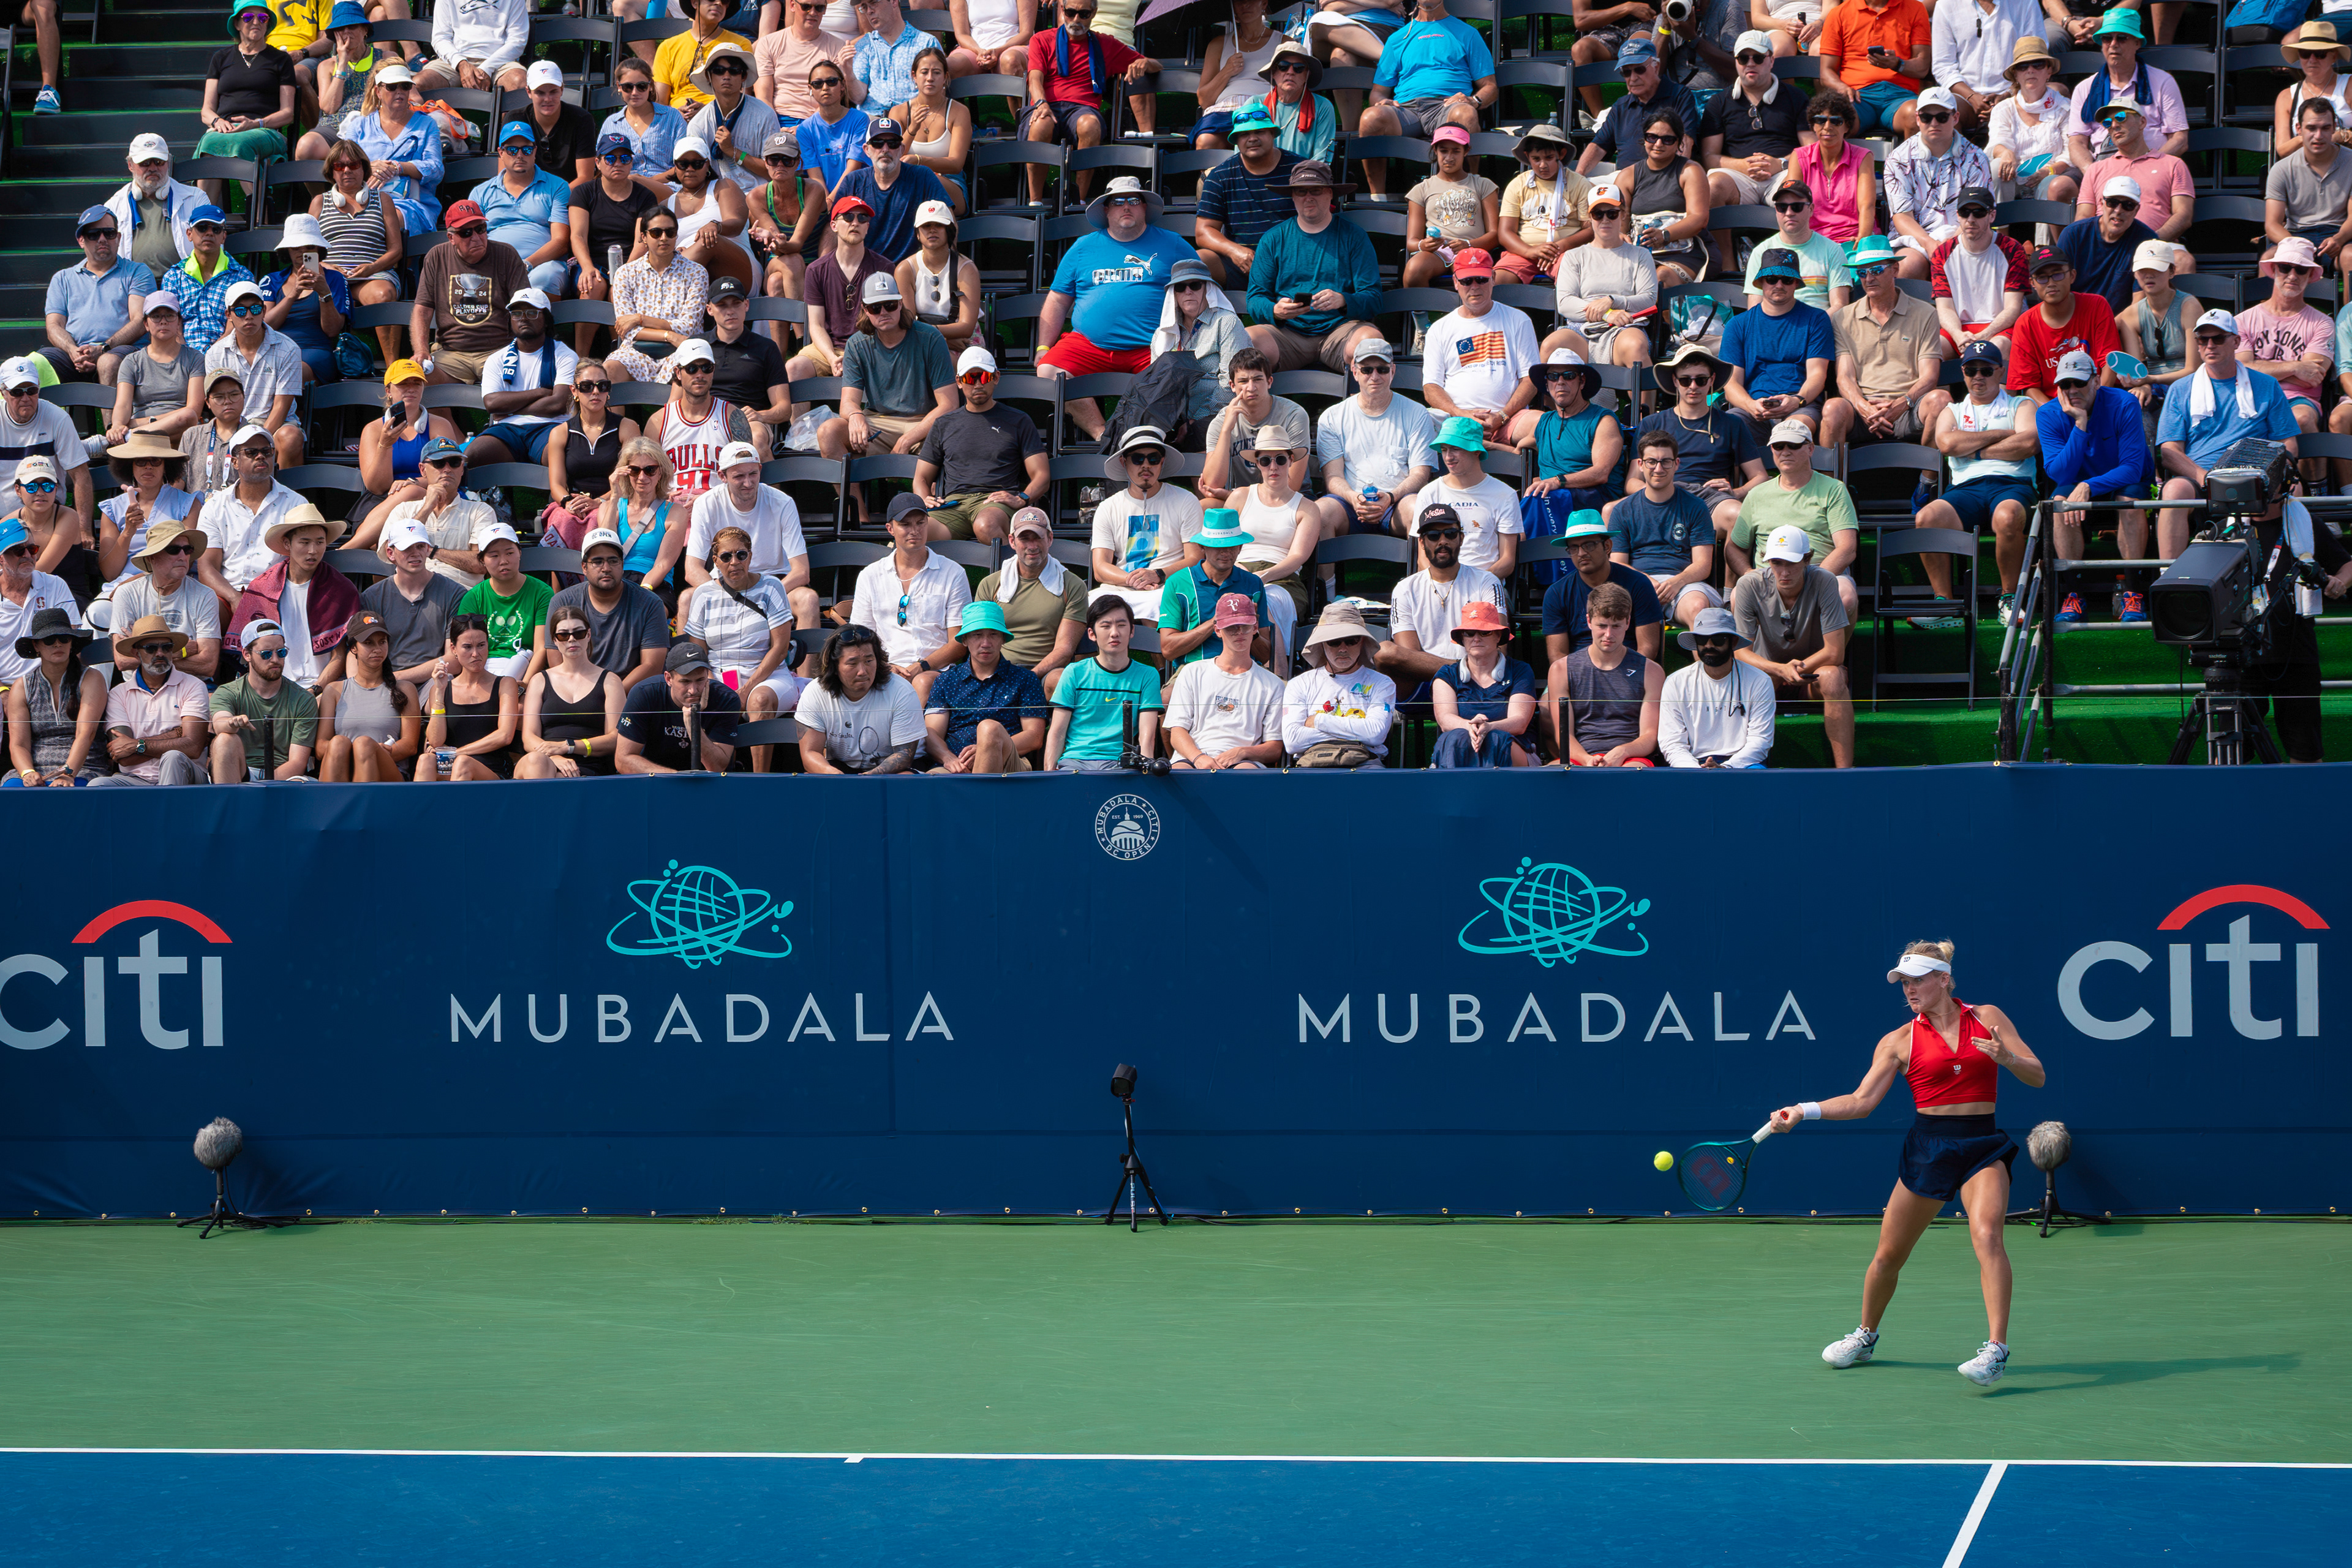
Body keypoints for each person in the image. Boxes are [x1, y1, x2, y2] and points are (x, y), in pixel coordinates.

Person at [1779, 942, 2048, 1387]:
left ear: (1944, 979)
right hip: (1929, 1149)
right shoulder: (1898, 1041)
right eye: (1904, 982)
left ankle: (1996, 1351)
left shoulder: (1988, 1018)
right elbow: (1861, 1102)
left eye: (1918, 980)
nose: (1909, 989)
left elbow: (2037, 1075)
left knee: (1988, 1235)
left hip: (1982, 1145)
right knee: (1888, 1256)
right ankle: (1865, 1336)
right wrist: (1803, 1111)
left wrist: (2008, 1059)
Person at [1036, 176, 1197, 440]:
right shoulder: (1082, 248)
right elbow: (1057, 300)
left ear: (1144, 207)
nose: (1126, 206)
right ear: (1106, 210)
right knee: (1048, 371)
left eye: (1134, 200)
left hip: (1153, 346)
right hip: (1090, 345)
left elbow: (1200, 290)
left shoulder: (1174, 244)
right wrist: (1043, 347)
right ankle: (1104, 436)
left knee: (1177, 373)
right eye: (1117, 201)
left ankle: (1142, 438)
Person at [2156, 311, 2302, 560]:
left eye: (2218, 338)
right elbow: (2169, 451)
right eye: (2203, 340)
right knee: (2174, 491)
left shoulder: (2267, 384)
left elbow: (2288, 443)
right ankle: (2170, 573)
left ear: (2236, 342)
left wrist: (2269, 475)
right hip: (2201, 475)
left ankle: (2285, 571)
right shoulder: (2180, 389)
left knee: (2290, 489)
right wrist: (2204, 477)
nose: (2210, 345)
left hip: (2256, 473)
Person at [1924, 339, 2040, 622]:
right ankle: (1944, 605)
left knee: (2008, 516)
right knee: (1927, 518)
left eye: (1986, 370)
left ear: (2000, 371)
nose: (1978, 376)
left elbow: (2028, 443)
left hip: (2012, 484)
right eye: (1971, 370)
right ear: (1963, 373)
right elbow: (1947, 444)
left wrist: (1974, 451)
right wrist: (2003, 434)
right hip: (1966, 489)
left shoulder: (2022, 404)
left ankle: (2009, 598)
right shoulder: (1952, 410)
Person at [2037, 347, 2152, 624]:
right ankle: (2073, 595)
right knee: (2060, 506)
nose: (2072, 390)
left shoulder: (2124, 403)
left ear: (2097, 381)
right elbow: (2059, 473)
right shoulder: (2048, 413)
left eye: (2079, 382)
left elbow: (2132, 469)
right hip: (2076, 481)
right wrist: (2080, 424)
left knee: (2129, 504)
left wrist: (2090, 485)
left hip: (2124, 480)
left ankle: (2133, 594)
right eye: (2065, 384)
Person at [1730, 522, 1853, 766]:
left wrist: (1794, 670)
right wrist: (1780, 670)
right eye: (1777, 563)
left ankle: (1845, 772)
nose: (1784, 571)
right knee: (1744, 679)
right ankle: (1737, 766)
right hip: (1766, 679)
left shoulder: (1825, 581)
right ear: (1767, 561)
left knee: (1833, 677)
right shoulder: (1749, 584)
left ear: (1807, 560)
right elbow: (1740, 652)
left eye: (1792, 563)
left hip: (1812, 677)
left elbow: (1835, 653)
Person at [1244, 160, 1383, 374]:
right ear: (1293, 196)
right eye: (1301, 191)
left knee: (1371, 343)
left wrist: (1344, 300)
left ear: (1330, 193)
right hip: (1287, 333)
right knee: (1245, 342)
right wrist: (1275, 311)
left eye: (1316, 190)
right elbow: (1255, 298)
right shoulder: (1273, 239)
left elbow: (1373, 298)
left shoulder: (1354, 236)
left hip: (1341, 330)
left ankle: (1367, 398)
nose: (1308, 197)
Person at [1629, 344, 1766, 545]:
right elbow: (1632, 481)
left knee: (1738, 516)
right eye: (1685, 380)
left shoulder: (1732, 423)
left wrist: (1736, 492)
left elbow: (1760, 476)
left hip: (1711, 497)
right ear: (1675, 381)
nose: (1693, 387)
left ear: (1712, 380)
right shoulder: (1652, 423)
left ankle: (1735, 569)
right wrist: (1658, 491)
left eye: (1701, 380)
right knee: (1610, 511)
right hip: (1664, 494)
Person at [1023, 0, 1158, 203]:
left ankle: (1079, 200)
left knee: (1090, 125)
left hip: (1083, 108)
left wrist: (1145, 63)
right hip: (1046, 104)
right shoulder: (1042, 39)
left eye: (1084, 14)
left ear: (1094, 13)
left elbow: (1156, 66)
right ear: (1062, 10)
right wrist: (1041, 103)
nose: (1076, 19)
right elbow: (1034, 78)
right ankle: (1035, 202)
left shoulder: (1105, 44)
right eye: (1071, 12)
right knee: (1042, 122)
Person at [913, 346, 1049, 545]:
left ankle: (1014, 565)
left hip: (995, 502)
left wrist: (1022, 498)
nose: (977, 384)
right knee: (915, 533)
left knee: (986, 525)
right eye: (970, 378)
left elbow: (1042, 475)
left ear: (996, 377)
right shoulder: (943, 424)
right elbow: (921, 477)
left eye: (984, 377)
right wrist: (924, 498)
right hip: (953, 505)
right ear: (959, 382)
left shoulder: (1019, 420)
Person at [681, 522, 807, 737]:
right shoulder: (703, 594)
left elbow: (780, 649)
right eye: (726, 557)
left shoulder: (771, 587)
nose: (734, 562)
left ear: (750, 556)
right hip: (717, 677)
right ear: (715, 561)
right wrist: (716, 688)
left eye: (741, 555)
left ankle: (759, 763)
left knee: (759, 701)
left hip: (768, 676)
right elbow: (699, 654)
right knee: (709, 703)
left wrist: (746, 690)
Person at [1727, 423, 1862, 617]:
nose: (1786, 452)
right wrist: (1749, 574)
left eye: (1794, 445)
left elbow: (1847, 548)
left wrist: (1812, 582)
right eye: (1778, 446)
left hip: (1819, 570)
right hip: (1770, 573)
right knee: (1739, 594)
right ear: (1772, 450)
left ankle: (1834, 641)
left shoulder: (1834, 489)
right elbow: (1734, 547)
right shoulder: (1756, 494)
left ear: (1810, 449)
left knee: (1845, 595)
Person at [1828, 234, 1950, 450]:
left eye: (1876, 270)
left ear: (1895, 270)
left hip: (1910, 408)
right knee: (1833, 409)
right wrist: (1863, 407)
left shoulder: (1926, 313)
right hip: (1862, 411)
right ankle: (1831, 475)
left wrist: (1901, 404)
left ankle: (1928, 471)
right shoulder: (1843, 318)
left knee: (1941, 400)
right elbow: (1845, 377)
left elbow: (1930, 377)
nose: (1868, 278)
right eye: (1862, 272)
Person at [850, 492, 969, 701]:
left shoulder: (953, 573)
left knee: (922, 682)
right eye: (905, 524)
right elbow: (861, 638)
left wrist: (922, 666)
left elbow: (959, 642)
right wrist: (885, 666)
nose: (915, 531)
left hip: (937, 670)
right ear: (890, 529)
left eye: (920, 523)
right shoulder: (870, 576)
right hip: (884, 668)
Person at [1316, 337, 1438, 538]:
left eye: (1382, 369)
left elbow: (1420, 475)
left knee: (1418, 508)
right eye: (1366, 370)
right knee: (1320, 513)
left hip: (1398, 504)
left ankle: (1419, 561)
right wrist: (1353, 498)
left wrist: (1390, 497)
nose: (1375, 376)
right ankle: (1326, 563)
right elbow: (1333, 477)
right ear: (1355, 372)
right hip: (1349, 505)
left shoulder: (1417, 413)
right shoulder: (1332, 417)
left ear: (1393, 371)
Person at [1420, 249, 1542, 447]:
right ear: (1456, 282)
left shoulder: (1519, 320)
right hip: (1455, 420)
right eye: (1467, 281)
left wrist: (1502, 416)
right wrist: (1460, 413)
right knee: (1416, 421)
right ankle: (1502, 450)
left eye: (1481, 279)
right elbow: (1431, 387)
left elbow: (1530, 380)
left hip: (1509, 419)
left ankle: (1492, 446)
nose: (1475, 287)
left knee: (1543, 425)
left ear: (1493, 278)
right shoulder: (1439, 329)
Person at [228, 505, 356, 693]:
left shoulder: (341, 589)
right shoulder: (261, 588)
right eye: (305, 542)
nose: (313, 550)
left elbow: (340, 655)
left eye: (320, 542)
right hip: (272, 688)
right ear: (287, 544)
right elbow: (250, 653)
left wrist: (315, 690)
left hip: (324, 689)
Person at [1607, 428, 1722, 628]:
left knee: (1698, 607)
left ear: (1676, 464)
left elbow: (1703, 565)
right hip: (1636, 582)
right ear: (1641, 465)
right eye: (1652, 462)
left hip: (1684, 585)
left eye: (1666, 462)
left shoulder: (1696, 507)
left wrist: (1677, 583)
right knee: (1610, 607)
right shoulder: (1623, 510)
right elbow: (1618, 563)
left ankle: (1701, 651)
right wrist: (1644, 581)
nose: (1659, 469)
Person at [1091, 429, 1208, 621]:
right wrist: (1134, 580)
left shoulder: (1186, 500)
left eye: (1153, 459)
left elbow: (1195, 558)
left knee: (1159, 603)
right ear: (1124, 462)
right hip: (1121, 586)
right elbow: (1100, 568)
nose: (1146, 465)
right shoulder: (1108, 507)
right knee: (1086, 606)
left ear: (1162, 462)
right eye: (1138, 459)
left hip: (1169, 583)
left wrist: (1158, 575)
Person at [1721, 248, 1837, 440]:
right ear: (1761, 282)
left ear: (1796, 283)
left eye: (1787, 280)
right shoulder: (1738, 325)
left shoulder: (1816, 319)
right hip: (1752, 406)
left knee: (1791, 433)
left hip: (1801, 406)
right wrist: (1751, 405)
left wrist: (1797, 400)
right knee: (1728, 428)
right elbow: (1731, 384)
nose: (1779, 285)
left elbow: (1818, 375)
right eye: (1772, 279)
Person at [1159, 592, 1283, 770]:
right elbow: (1177, 731)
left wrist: (1242, 752)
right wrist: (1199, 758)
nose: (1239, 632)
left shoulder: (1272, 684)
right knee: (1181, 772)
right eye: (1231, 627)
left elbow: (1274, 748)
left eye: (1244, 625)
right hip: (1193, 757)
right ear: (1218, 630)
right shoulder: (1192, 672)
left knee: (1245, 772)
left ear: (1255, 627)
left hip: (1244, 761)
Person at [410, 204, 530, 388]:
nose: (476, 237)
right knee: (412, 380)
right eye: (466, 233)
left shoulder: (507, 254)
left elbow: (524, 306)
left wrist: (524, 348)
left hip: (498, 350)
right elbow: (423, 310)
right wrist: (421, 350)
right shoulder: (437, 256)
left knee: (520, 383)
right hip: (450, 353)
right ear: (451, 238)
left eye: (480, 229)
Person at [921, 600, 1049, 772]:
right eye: (977, 635)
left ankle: (978, 788)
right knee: (932, 779)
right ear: (965, 640)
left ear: (1003, 639)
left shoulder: (1025, 679)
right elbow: (932, 733)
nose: (986, 643)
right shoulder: (946, 680)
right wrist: (948, 758)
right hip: (956, 764)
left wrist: (987, 748)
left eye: (994, 635)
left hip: (1008, 764)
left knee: (990, 728)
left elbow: (1034, 737)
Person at [1883, 86, 1994, 280]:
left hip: (1965, 234)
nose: (1934, 123)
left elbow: (1978, 212)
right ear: (1918, 119)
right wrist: (1929, 244)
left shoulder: (1977, 158)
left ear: (1956, 118)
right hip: (1913, 239)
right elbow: (1902, 216)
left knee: (1963, 260)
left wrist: (1949, 244)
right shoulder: (1898, 159)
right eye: (1927, 117)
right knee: (1908, 266)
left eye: (1942, 117)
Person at [312, 139, 406, 366]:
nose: (347, 170)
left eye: (353, 165)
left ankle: (393, 370)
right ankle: (319, 364)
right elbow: (306, 251)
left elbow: (396, 250)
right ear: (331, 172)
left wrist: (371, 268)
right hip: (331, 276)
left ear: (364, 169)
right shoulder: (319, 202)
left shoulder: (383, 200)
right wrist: (327, 267)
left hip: (374, 274)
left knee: (383, 295)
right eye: (339, 166)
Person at [88, 612, 210, 787]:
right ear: (136, 653)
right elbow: (123, 756)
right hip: (135, 780)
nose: (160, 653)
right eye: (151, 648)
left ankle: (165, 805)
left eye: (167, 647)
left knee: (173, 757)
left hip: (188, 776)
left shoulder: (193, 685)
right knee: (97, 785)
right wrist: (176, 734)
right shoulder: (118, 693)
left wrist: (138, 745)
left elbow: (193, 747)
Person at [2237, 237, 2334, 454]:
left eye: (2301, 269)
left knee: (2302, 419)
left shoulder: (2322, 323)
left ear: (2310, 275)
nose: (2292, 275)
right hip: (2251, 397)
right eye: (2285, 267)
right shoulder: (2242, 320)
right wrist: (2295, 367)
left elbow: (2313, 376)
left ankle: (2317, 478)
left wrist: (2258, 367)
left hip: (2299, 399)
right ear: (2273, 269)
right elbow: (2241, 369)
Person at [1547, 581, 1660, 767]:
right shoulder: (1560, 670)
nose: (1608, 635)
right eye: (1602, 626)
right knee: (1550, 775)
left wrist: (1622, 752)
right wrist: (1587, 759)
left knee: (1632, 773)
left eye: (1616, 626)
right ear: (1589, 621)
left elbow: (1650, 736)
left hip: (1631, 758)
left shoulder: (1652, 671)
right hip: (1580, 757)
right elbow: (1564, 735)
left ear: (1628, 622)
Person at [1542, 188, 1655, 373]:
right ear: (1590, 217)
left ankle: (1647, 395)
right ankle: (1545, 395)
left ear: (1623, 215)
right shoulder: (1573, 256)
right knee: (1550, 345)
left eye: (1612, 214)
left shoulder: (1641, 255)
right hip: (1582, 327)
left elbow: (1649, 299)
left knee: (1635, 346)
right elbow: (1565, 303)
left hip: (1625, 326)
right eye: (1598, 214)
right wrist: (1607, 313)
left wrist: (1613, 301)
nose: (1605, 220)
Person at [198, 0, 298, 208]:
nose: (256, 22)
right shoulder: (221, 58)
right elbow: (206, 110)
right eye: (248, 17)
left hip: (266, 130)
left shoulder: (281, 60)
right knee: (209, 143)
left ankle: (260, 215)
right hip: (225, 129)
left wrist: (257, 123)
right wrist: (217, 122)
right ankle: (204, 217)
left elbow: (288, 113)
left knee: (241, 143)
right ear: (237, 24)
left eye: (262, 18)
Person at [1044, 595, 1161, 769]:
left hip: (1120, 764)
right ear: (1092, 634)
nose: (1115, 633)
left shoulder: (1148, 675)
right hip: (1076, 762)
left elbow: (1147, 737)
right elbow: (1057, 732)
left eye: (1122, 625)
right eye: (1106, 626)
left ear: (1132, 631)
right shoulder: (1074, 672)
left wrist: (1145, 772)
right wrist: (1049, 775)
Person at [40, 207, 153, 388]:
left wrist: (103, 348)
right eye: (93, 234)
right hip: (74, 355)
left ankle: (112, 409)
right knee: (34, 364)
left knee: (108, 362)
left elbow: (140, 321)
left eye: (109, 233)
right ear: (81, 240)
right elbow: (54, 326)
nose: (102, 239)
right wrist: (73, 351)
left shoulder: (137, 272)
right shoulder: (62, 278)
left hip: (122, 352)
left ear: (118, 238)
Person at [685, 441, 814, 597]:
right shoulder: (706, 504)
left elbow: (801, 571)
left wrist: (766, 596)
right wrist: (727, 598)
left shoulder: (783, 502)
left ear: (760, 469)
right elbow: (692, 570)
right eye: (739, 476)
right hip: (725, 583)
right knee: (687, 598)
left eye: (753, 474)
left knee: (807, 599)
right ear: (722, 476)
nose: (748, 483)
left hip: (774, 581)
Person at [466, 289, 578, 469]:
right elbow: (492, 404)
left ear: (546, 319)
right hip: (506, 430)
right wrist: (540, 393)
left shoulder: (565, 355)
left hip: (550, 427)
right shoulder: (497, 359)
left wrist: (510, 411)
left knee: (564, 458)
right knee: (470, 458)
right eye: (517, 314)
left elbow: (558, 404)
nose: (523, 319)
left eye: (532, 313)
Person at [549, 526, 671, 693]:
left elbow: (652, 665)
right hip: (575, 691)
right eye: (597, 562)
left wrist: (613, 694)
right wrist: (585, 697)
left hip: (631, 693)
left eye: (613, 561)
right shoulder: (562, 602)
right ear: (584, 567)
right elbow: (556, 660)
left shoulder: (650, 603)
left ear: (622, 565)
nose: (606, 568)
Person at [2064, 12, 2188, 172]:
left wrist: (2150, 167)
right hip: (2101, 168)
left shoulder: (2163, 81)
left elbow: (2180, 139)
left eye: (2122, 38)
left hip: (2151, 168)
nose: (2113, 44)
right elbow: (2077, 142)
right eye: (2107, 38)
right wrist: (2091, 173)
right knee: (2060, 184)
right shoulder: (2084, 88)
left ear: (2137, 43)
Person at [975, 508, 1085, 690]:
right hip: (999, 671)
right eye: (1024, 539)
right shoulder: (991, 585)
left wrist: (1029, 677)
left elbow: (1064, 650)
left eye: (1038, 538)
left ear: (1050, 539)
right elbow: (980, 641)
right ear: (1012, 541)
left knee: (1060, 679)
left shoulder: (1072, 586)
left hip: (1045, 674)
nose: (1032, 546)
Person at [195, 423, 305, 605]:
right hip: (228, 595)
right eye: (251, 452)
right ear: (235, 462)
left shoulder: (296, 504)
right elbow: (207, 567)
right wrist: (234, 599)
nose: (261, 456)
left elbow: (301, 565)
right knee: (209, 607)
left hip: (278, 596)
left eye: (267, 452)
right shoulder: (215, 506)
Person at [1702, 31, 1810, 214]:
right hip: (1737, 177)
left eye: (1758, 58)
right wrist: (1743, 166)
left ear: (1772, 60)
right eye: (1743, 58)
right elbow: (1709, 157)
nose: (1750, 63)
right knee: (1713, 187)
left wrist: (1781, 163)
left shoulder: (1797, 97)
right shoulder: (1718, 102)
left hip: (1783, 174)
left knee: (1796, 188)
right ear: (1736, 62)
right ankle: (1722, 236)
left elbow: (1811, 149)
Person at [513, 600, 623, 780]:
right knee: (536, 761)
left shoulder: (610, 681)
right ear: (555, 640)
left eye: (579, 633)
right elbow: (529, 737)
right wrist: (554, 757)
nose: (572, 639)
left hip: (589, 768)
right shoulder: (540, 680)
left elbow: (615, 738)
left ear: (588, 635)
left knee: (546, 771)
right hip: (544, 761)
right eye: (563, 635)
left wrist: (568, 746)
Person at [1401, 416, 1521, 581]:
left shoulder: (1505, 494)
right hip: (1438, 584)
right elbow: (1423, 559)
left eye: (1456, 449)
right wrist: (1446, 584)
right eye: (1444, 450)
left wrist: (1474, 584)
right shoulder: (1429, 493)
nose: (1448, 457)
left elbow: (1507, 562)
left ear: (1476, 451)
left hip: (1484, 584)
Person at [646, 341, 754, 521]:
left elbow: (747, 476)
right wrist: (663, 498)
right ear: (678, 373)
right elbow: (646, 477)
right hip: (670, 511)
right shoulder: (658, 422)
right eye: (692, 369)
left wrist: (710, 499)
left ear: (713, 370)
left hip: (720, 508)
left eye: (706, 367)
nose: (700, 375)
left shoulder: (732, 416)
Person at [369, 437, 494, 592]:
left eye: (454, 462)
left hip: (461, 594)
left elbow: (482, 564)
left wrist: (432, 551)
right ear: (423, 470)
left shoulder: (480, 511)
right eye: (439, 463)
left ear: (462, 469)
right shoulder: (403, 509)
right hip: (411, 593)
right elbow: (390, 554)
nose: (447, 469)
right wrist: (427, 507)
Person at [2076, 102, 2193, 268]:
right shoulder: (2096, 169)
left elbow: (2183, 215)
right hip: (2107, 246)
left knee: (2184, 261)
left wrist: (2150, 241)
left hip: (2158, 245)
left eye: (2121, 117)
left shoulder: (2173, 164)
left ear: (2142, 122)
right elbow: (2083, 217)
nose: (2114, 126)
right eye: (2108, 123)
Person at [1280, 601, 1396, 766]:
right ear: (1322, 643)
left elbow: (1376, 734)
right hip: (1312, 765)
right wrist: (1359, 734)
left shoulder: (1382, 683)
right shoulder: (1299, 684)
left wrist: (1318, 721)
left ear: (1362, 641)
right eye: (1334, 641)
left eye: (1351, 640)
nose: (1343, 649)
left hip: (1365, 764)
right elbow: (1292, 741)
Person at [786, 197, 889, 383]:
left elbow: (885, 324)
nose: (855, 223)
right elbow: (816, 325)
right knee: (793, 369)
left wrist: (854, 356)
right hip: (828, 347)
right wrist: (832, 358)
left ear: (867, 227)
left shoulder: (884, 268)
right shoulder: (816, 270)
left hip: (872, 347)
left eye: (862, 218)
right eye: (848, 217)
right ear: (834, 225)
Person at [1157, 511, 1273, 676]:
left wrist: (1250, 628)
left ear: (1240, 548)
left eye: (1233, 546)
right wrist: (1217, 620)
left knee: (1281, 691)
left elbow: (1265, 655)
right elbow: (1169, 650)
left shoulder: (1254, 583)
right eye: (1218, 546)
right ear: (1202, 547)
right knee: (1169, 694)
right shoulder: (1178, 583)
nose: (1226, 552)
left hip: (1246, 672)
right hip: (1193, 671)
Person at [203, 281, 304, 469]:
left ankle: (284, 488)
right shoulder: (215, 354)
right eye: (240, 311)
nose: (249, 316)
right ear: (229, 315)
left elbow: (282, 406)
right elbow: (219, 404)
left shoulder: (289, 349)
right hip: (233, 423)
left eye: (255, 309)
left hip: (277, 424)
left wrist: (256, 440)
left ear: (264, 311)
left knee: (290, 437)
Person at [1657, 604, 1773, 767]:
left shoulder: (1759, 681)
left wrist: (1726, 767)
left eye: (1718, 639)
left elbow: (1760, 740)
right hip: (1693, 764)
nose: (1709, 645)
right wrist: (1696, 770)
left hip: (1744, 764)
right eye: (1702, 639)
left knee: (1757, 775)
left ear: (1733, 642)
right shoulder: (1676, 683)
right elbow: (1672, 743)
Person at [1229, 426, 1319, 635]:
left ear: (1291, 460)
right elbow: (1223, 544)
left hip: (1283, 579)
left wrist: (1262, 576)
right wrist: (1237, 570)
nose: (1273, 467)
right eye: (1265, 461)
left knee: (1262, 607)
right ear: (1257, 463)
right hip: (1237, 571)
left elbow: (1298, 557)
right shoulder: (1239, 497)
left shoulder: (1307, 508)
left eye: (1280, 460)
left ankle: (1274, 657)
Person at [205, 617, 318, 782]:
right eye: (266, 654)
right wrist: (232, 723)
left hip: (284, 777)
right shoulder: (227, 692)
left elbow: (297, 763)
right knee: (224, 740)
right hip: (241, 773)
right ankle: (232, 798)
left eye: (281, 652)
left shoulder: (303, 699)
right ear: (247, 654)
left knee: (298, 781)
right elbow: (219, 723)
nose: (275, 660)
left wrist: (261, 787)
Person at [604, 214, 711, 387]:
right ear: (644, 237)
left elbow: (688, 327)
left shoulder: (696, 273)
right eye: (656, 233)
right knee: (610, 369)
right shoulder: (626, 273)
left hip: (680, 349)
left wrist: (640, 319)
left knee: (687, 367)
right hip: (637, 349)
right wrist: (669, 335)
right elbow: (627, 330)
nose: (664, 238)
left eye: (670, 232)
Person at [315, 607, 421, 782]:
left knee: (364, 744)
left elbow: (410, 746)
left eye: (382, 642)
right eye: (369, 643)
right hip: (344, 769)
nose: (377, 649)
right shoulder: (334, 690)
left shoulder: (405, 689)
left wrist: (374, 750)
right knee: (339, 743)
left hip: (389, 772)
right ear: (354, 648)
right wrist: (355, 752)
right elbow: (320, 748)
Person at [831, 115, 952, 266]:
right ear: (867, 150)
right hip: (864, 269)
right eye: (878, 143)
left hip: (912, 270)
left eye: (893, 144)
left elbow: (948, 220)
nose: (885, 149)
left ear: (902, 150)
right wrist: (829, 267)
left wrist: (950, 267)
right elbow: (833, 227)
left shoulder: (922, 176)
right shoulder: (853, 181)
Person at [795, 622, 918, 773]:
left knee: (904, 778)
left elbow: (904, 754)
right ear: (835, 666)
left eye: (869, 661)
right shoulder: (815, 692)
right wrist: (832, 774)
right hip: (839, 768)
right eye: (852, 663)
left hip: (893, 771)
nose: (863, 671)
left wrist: (866, 779)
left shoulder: (901, 690)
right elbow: (811, 752)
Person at [1542, 510, 1664, 662]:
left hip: (1630, 669)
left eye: (1589, 545)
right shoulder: (1556, 593)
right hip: (1578, 671)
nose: (1581, 553)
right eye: (1574, 548)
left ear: (1607, 546)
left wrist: (1627, 674)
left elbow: (1648, 648)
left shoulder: (1639, 584)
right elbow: (1558, 657)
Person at [4, 607, 107, 787]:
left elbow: (86, 734)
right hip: (36, 768)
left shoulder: (91, 678)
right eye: (49, 640)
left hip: (85, 767)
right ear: (36, 646)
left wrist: (68, 774)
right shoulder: (22, 686)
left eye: (64, 638)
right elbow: (19, 744)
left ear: (71, 643)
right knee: (12, 788)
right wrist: (28, 772)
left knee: (71, 790)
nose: (58, 644)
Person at [1610, 108, 1711, 288]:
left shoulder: (1691, 171)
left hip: (1685, 254)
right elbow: (1620, 224)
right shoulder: (1627, 176)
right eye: (1652, 137)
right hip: (1639, 253)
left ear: (1679, 142)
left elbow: (1699, 219)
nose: (1658, 144)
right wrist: (1621, 237)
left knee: (1660, 277)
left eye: (1668, 139)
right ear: (1644, 138)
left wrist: (1665, 235)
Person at [543, 360, 640, 548]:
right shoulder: (561, 433)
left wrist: (599, 501)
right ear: (574, 391)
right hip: (574, 502)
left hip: (616, 500)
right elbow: (557, 484)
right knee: (563, 518)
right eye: (587, 386)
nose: (596, 392)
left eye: (602, 386)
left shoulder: (626, 427)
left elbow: (632, 478)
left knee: (602, 516)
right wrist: (568, 502)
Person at [360, 517, 467, 686]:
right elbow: (358, 652)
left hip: (431, 680)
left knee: (443, 684)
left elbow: (454, 659)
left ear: (428, 549)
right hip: (384, 682)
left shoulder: (454, 593)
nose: (415, 553)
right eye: (407, 548)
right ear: (391, 553)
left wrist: (396, 678)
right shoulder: (372, 597)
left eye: (420, 546)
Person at [1429, 600, 1537, 767]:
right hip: (1462, 747)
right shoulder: (1447, 675)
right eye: (1469, 633)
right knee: (1456, 738)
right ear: (1462, 638)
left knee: (1494, 739)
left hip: (1513, 748)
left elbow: (1520, 723)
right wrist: (1470, 726)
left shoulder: (1520, 671)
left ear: (1498, 636)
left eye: (1485, 632)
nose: (1476, 639)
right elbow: (1445, 720)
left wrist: (1490, 727)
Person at [616, 632, 741, 774]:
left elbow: (717, 767)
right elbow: (623, 760)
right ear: (668, 679)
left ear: (708, 675)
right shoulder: (644, 693)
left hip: (708, 782)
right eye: (685, 682)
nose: (693, 690)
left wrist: (693, 724)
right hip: (657, 780)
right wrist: (676, 778)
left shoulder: (726, 699)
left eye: (700, 680)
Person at [105, 518, 217, 676]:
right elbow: (123, 661)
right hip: (139, 686)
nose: (183, 556)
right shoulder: (128, 593)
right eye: (173, 549)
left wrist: (145, 652)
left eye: (187, 549)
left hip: (189, 685)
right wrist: (181, 651)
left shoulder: (205, 595)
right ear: (152, 558)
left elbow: (208, 665)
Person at [1200, 347, 1310, 507]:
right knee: (1204, 507)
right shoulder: (1221, 422)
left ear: (1269, 382)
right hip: (1242, 500)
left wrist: (1232, 496)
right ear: (1232, 386)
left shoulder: (1293, 415)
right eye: (1243, 381)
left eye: (1257, 379)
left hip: (1290, 502)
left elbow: (1291, 486)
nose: (1251, 388)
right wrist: (1226, 430)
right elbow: (1212, 484)